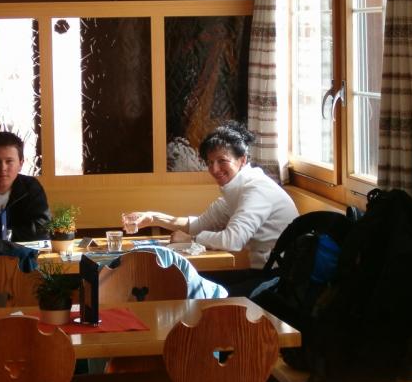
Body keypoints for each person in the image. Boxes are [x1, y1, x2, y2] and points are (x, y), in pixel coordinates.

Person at [124, 120, 298, 297]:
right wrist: (153, 217)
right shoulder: (235, 191)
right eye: (210, 162)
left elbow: (232, 240)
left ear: (242, 160)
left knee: (194, 292)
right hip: (262, 272)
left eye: (222, 161)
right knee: (187, 282)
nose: (214, 169)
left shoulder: (256, 190)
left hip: (280, 280)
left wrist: (192, 240)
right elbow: (198, 225)